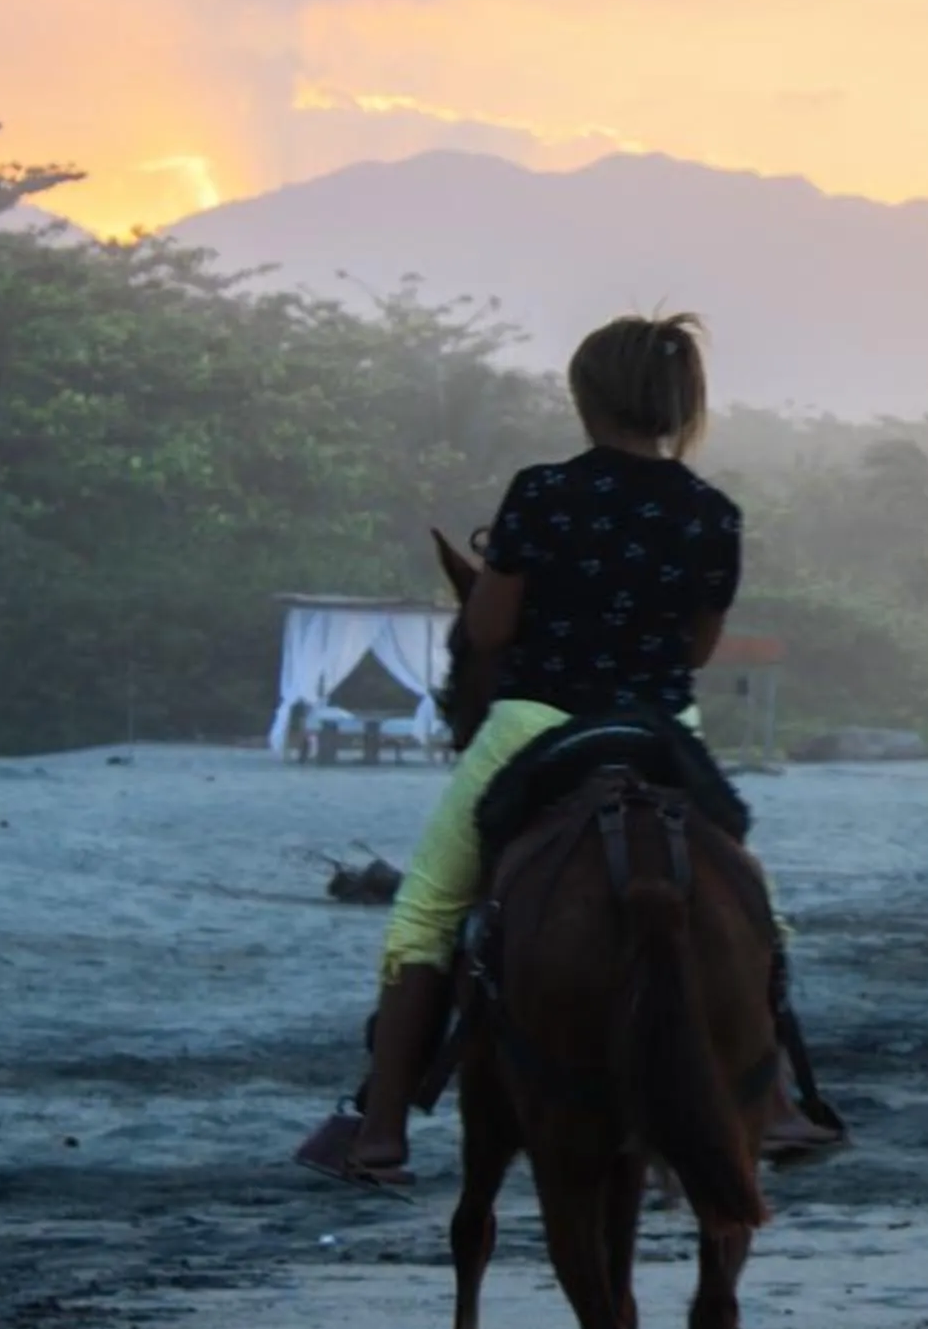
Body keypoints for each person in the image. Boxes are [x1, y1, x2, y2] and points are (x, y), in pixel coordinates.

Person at [297, 312, 842, 1187]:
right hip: (664, 730)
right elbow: (696, 652)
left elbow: (492, 624)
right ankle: (773, 1097)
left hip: (535, 720)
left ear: (584, 401)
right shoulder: (711, 514)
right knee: (752, 906)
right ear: (679, 405)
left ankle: (381, 1128)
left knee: (427, 916)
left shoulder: (542, 492)